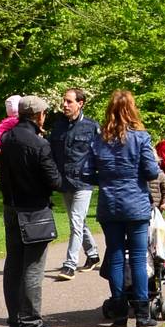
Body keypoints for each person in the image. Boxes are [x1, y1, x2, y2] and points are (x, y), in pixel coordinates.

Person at [85, 90, 161, 327]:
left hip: (110, 203)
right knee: (138, 258)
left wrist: (107, 180)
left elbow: (87, 173)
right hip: (135, 203)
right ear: (132, 110)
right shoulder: (140, 138)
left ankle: (119, 314)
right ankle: (141, 314)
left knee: (116, 256)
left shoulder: (98, 140)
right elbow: (150, 172)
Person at [0, 94, 64, 327]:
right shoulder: (39, 144)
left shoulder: (5, 138)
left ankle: (15, 323)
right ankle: (31, 326)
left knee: (13, 266)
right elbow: (54, 180)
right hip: (34, 209)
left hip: (11, 207)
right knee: (33, 269)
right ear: (38, 115)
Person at [47, 87, 102, 281]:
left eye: (69, 101)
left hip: (84, 182)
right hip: (64, 182)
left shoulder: (92, 127)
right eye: (64, 101)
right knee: (78, 221)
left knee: (76, 222)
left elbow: (100, 154)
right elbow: (51, 154)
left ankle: (70, 264)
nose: (64, 105)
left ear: (80, 103)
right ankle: (93, 254)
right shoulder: (58, 126)